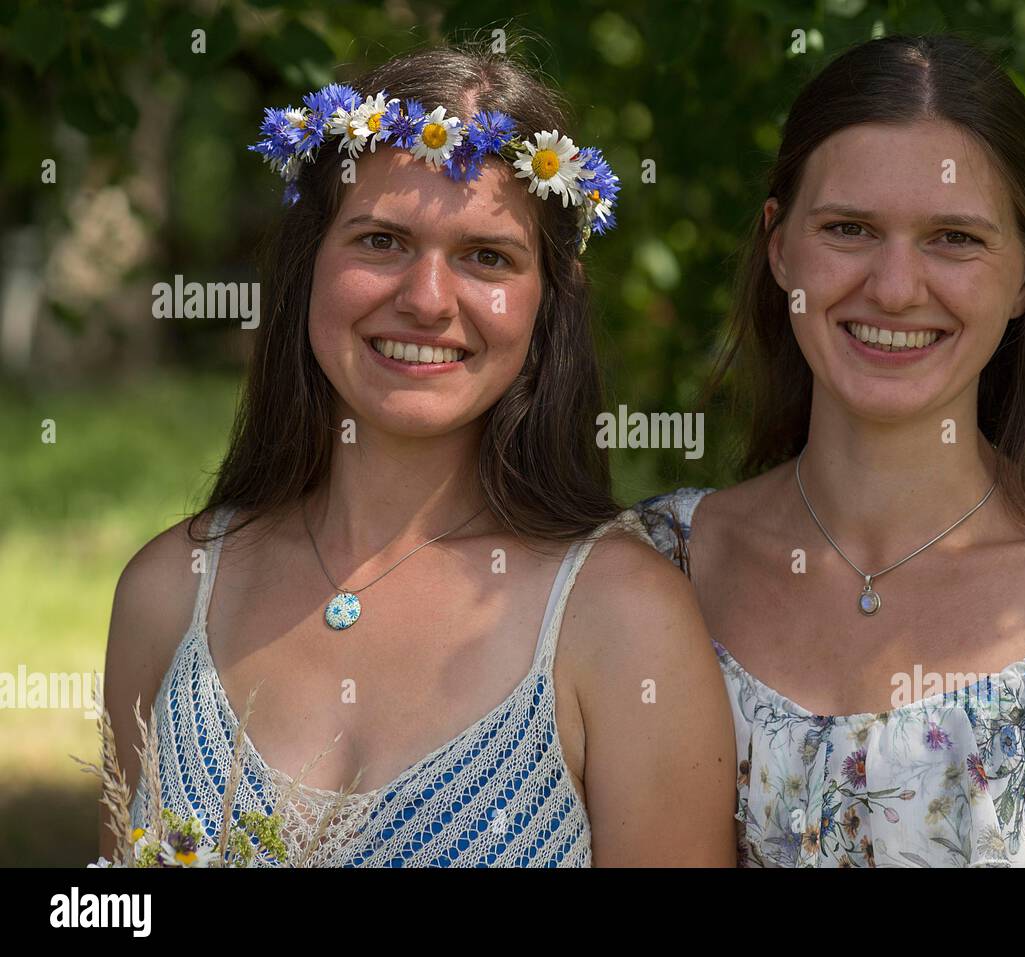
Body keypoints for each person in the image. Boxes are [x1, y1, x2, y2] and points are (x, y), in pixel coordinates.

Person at [101, 43, 735, 867]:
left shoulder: (623, 622)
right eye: (382, 241)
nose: (428, 300)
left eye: (486, 256)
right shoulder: (166, 596)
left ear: (546, 310)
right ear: (307, 270)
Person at [637, 34, 1025, 868]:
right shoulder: (652, 575)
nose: (895, 288)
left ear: (1022, 279)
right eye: (850, 228)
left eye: (954, 238)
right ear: (780, 247)